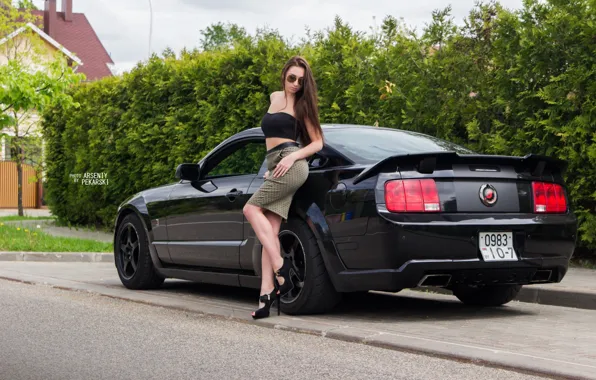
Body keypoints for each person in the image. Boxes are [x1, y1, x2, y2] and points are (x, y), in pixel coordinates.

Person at [243, 56, 324, 319]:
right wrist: (273, 163)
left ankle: (282, 268)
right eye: (292, 78)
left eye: (301, 81)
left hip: (293, 165)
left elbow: (317, 143)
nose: (295, 84)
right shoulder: (274, 97)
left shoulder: (302, 106)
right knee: (271, 231)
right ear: (284, 74)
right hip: (276, 165)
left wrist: (290, 157)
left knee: (250, 209)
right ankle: (266, 297)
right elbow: (271, 141)